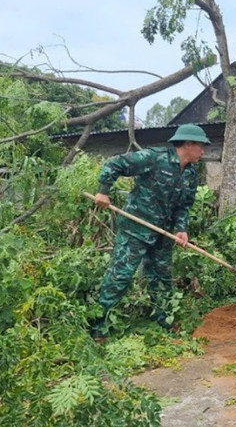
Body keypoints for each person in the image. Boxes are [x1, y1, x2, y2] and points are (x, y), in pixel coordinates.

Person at [90, 124, 210, 341]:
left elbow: (184, 206)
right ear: (188, 144)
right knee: (120, 276)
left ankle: (163, 320)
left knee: (161, 277)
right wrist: (103, 191)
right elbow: (115, 164)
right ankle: (99, 325)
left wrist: (181, 229)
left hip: (163, 233)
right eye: (201, 146)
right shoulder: (154, 158)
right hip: (135, 229)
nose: (203, 151)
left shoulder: (191, 174)